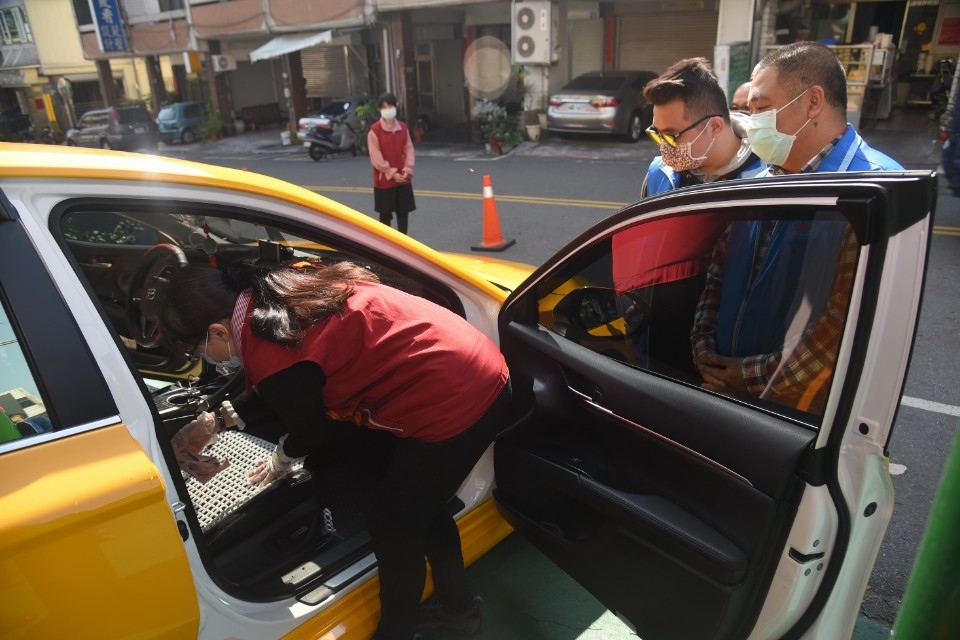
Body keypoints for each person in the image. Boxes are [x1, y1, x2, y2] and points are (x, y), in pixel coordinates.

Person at [158, 260, 511, 640]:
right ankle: (458, 610)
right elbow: (298, 381)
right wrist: (212, 422)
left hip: (455, 399)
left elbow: (310, 431)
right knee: (419, 510)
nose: (205, 358)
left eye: (199, 349)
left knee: (392, 528)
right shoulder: (282, 289)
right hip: (470, 361)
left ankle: (399, 632)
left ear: (216, 331)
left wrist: (278, 461)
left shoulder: (267, 347)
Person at [691, 41, 903, 410]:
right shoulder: (763, 180)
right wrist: (705, 350)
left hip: (797, 413)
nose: (751, 122)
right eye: (745, 110)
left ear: (813, 101)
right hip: (728, 393)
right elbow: (719, 273)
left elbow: (843, 328)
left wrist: (748, 377)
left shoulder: (870, 191)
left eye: (761, 108)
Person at [613, 58, 764, 375]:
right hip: (653, 345)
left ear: (715, 127)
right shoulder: (660, 173)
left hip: (718, 363)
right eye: (657, 135)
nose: (664, 147)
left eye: (672, 135)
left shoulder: (762, 186)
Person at [368, 92, 416, 234]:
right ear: (380, 110)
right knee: (385, 215)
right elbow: (376, 158)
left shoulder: (403, 128)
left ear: (396, 107)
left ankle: (404, 244)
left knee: (403, 213)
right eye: (384, 107)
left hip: (403, 178)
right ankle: (387, 247)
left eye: (390, 106)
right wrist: (392, 173)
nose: (388, 109)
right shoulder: (375, 131)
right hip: (385, 180)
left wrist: (407, 169)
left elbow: (409, 149)